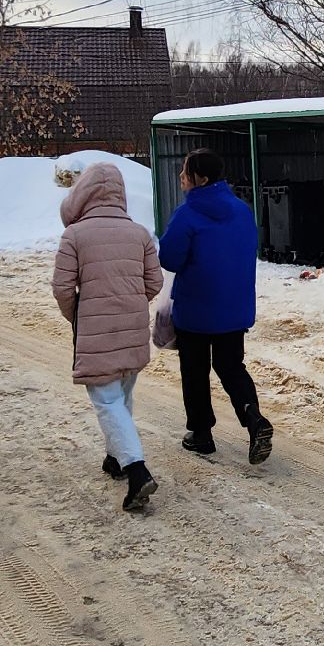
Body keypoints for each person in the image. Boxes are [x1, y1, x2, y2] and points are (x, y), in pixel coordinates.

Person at [52, 161, 165, 511]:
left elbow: (62, 287)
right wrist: (130, 304)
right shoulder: (139, 233)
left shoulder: (74, 235)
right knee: (122, 393)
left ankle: (136, 470)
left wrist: (78, 316)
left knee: (106, 401)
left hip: (96, 329)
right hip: (131, 327)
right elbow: (155, 282)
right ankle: (116, 458)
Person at [158, 149, 274, 464]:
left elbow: (169, 258)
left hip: (195, 309)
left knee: (194, 370)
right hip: (234, 308)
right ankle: (253, 418)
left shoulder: (187, 214)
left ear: (201, 178)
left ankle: (201, 434)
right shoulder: (241, 210)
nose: (181, 178)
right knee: (230, 365)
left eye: (185, 172)